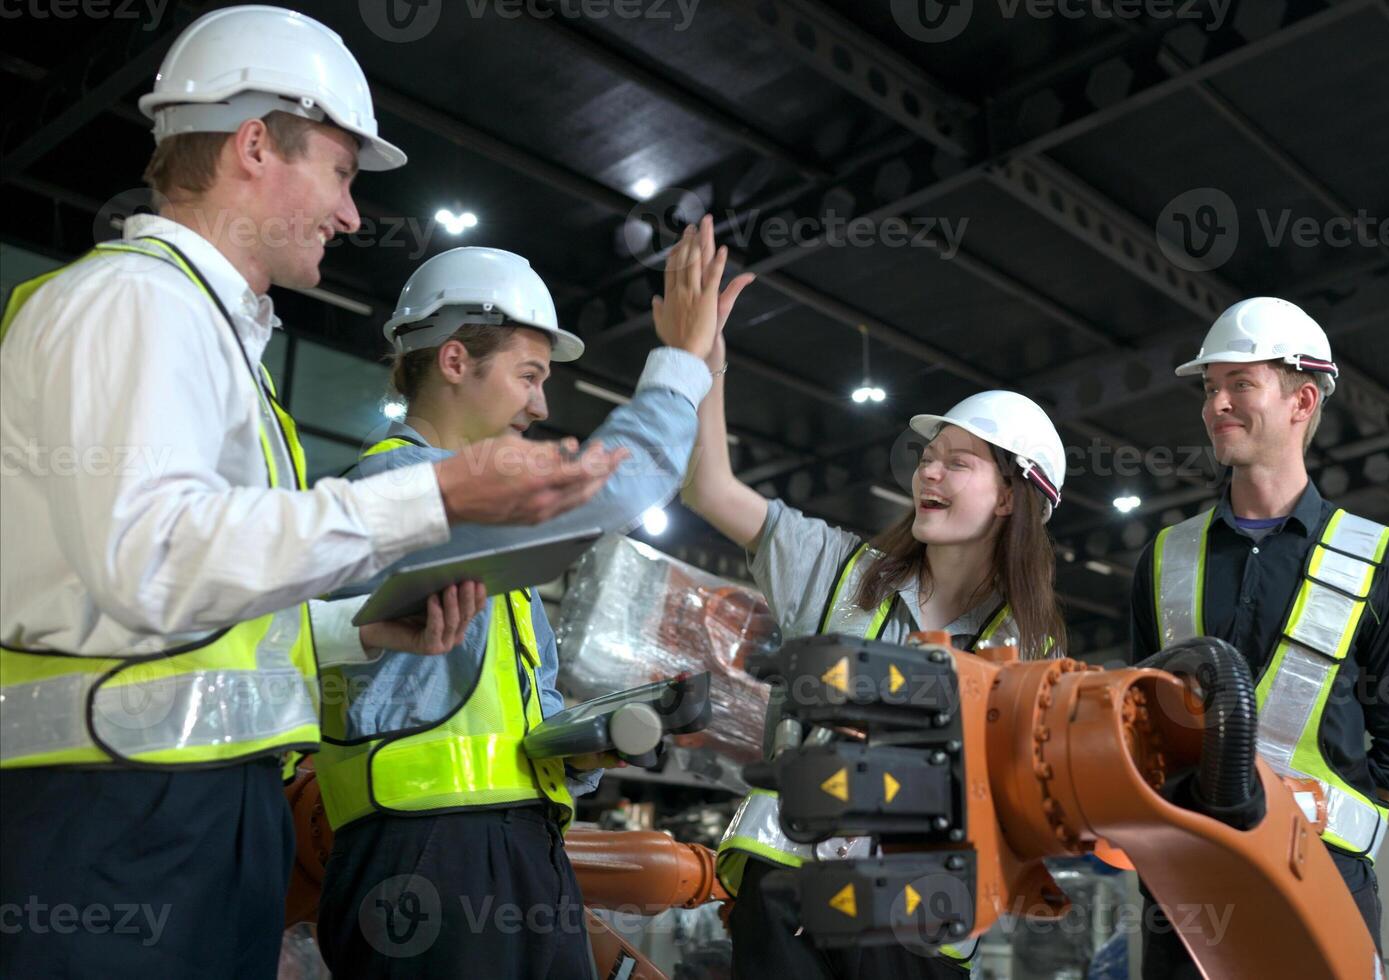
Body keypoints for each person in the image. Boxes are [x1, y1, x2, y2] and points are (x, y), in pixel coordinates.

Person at [0, 7, 619, 976]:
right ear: (254, 146)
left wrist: (358, 632)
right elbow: (151, 559)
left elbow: (205, 620)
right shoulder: (133, 302)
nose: (351, 213)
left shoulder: (211, 343)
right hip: (112, 813)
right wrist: (440, 494)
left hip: (189, 806)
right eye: (338, 172)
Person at [314, 237, 746, 978]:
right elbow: (611, 486)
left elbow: (506, 713)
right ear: (455, 361)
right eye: (528, 375)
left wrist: (578, 745)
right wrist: (680, 363)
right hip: (425, 855)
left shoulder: (486, 539)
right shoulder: (397, 498)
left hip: (513, 848)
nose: (542, 403)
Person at [681, 212, 1067, 977]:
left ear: (1008, 500)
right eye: (928, 456)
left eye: (958, 462)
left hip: (920, 920)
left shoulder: (1035, 656)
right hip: (790, 888)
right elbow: (708, 487)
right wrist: (702, 364)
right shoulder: (835, 569)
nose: (929, 472)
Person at [1128, 297, 1389, 978]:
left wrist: (1326, 821)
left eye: (1241, 384)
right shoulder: (1164, 557)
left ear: (1302, 401)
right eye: (1210, 388)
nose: (1217, 404)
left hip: (1318, 886)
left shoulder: (1379, 559)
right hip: (1186, 892)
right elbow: (1139, 722)